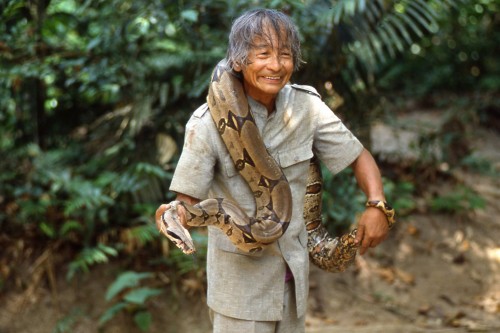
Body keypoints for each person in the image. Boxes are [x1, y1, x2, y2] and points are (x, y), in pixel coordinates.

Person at [155, 8, 392, 333]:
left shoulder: (306, 108)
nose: (276, 65)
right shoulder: (207, 123)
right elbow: (187, 204)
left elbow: (357, 155)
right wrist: (175, 216)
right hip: (240, 292)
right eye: (263, 54)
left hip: (293, 279)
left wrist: (376, 203)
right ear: (238, 61)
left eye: (285, 55)